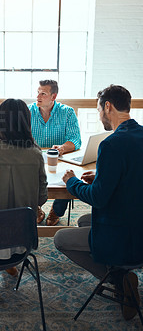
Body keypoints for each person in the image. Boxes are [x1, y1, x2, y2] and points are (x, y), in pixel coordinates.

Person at [54, 84, 143, 321]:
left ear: (108, 106)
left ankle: (118, 279)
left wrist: (72, 182)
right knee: (84, 221)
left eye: (99, 110)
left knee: (60, 238)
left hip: (124, 237)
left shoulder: (112, 144)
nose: (100, 116)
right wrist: (102, 176)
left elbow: (97, 198)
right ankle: (122, 275)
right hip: (140, 225)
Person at [0, 99, 48, 303]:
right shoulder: (36, 155)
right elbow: (42, 198)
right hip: (23, 240)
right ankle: (10, 263)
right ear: (26, 124)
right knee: (14, 216)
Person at [28, 80, 81, 226]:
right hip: (33, 158)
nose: (38, 96)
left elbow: (75, 140)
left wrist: (63, 148)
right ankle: (35, 209)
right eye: (38, 92)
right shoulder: (28, 111)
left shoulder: (67, 112)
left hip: (60, 159)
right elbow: (21, 137)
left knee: (68, 177)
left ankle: (56, 211)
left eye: (43, 93)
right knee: (24, 176)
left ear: (53, 96)